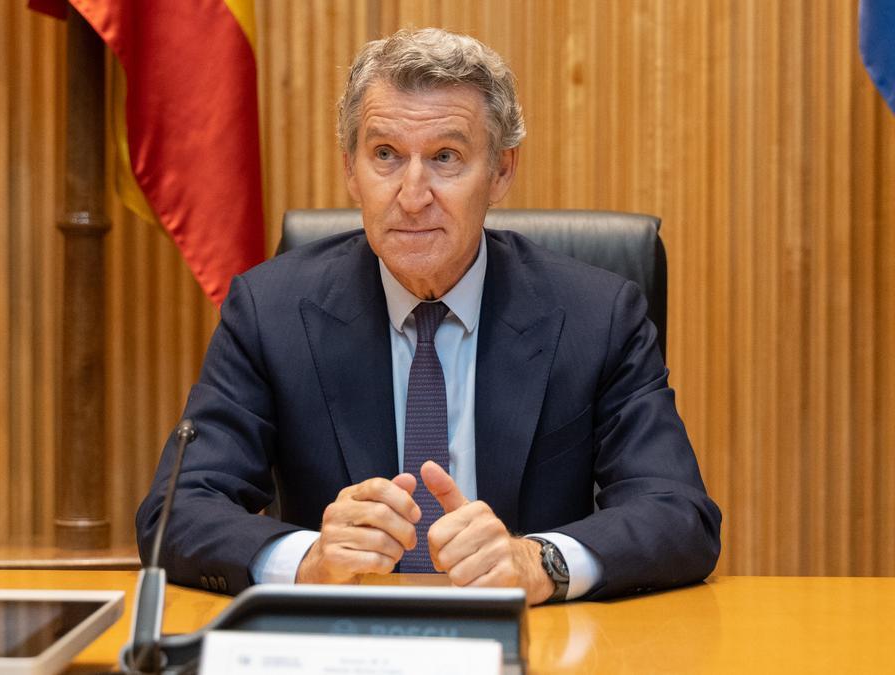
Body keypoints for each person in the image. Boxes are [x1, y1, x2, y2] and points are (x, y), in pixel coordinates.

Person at [137, 27, 720, 604]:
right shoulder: (272, 311)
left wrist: (539, 561)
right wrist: (308, 560)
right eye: (385, 155)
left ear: (501, 171)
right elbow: (178, 510)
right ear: (350, 168)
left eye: (446, 157)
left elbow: (678, 513)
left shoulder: (598, 317)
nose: (412, 195)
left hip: (535, 645)